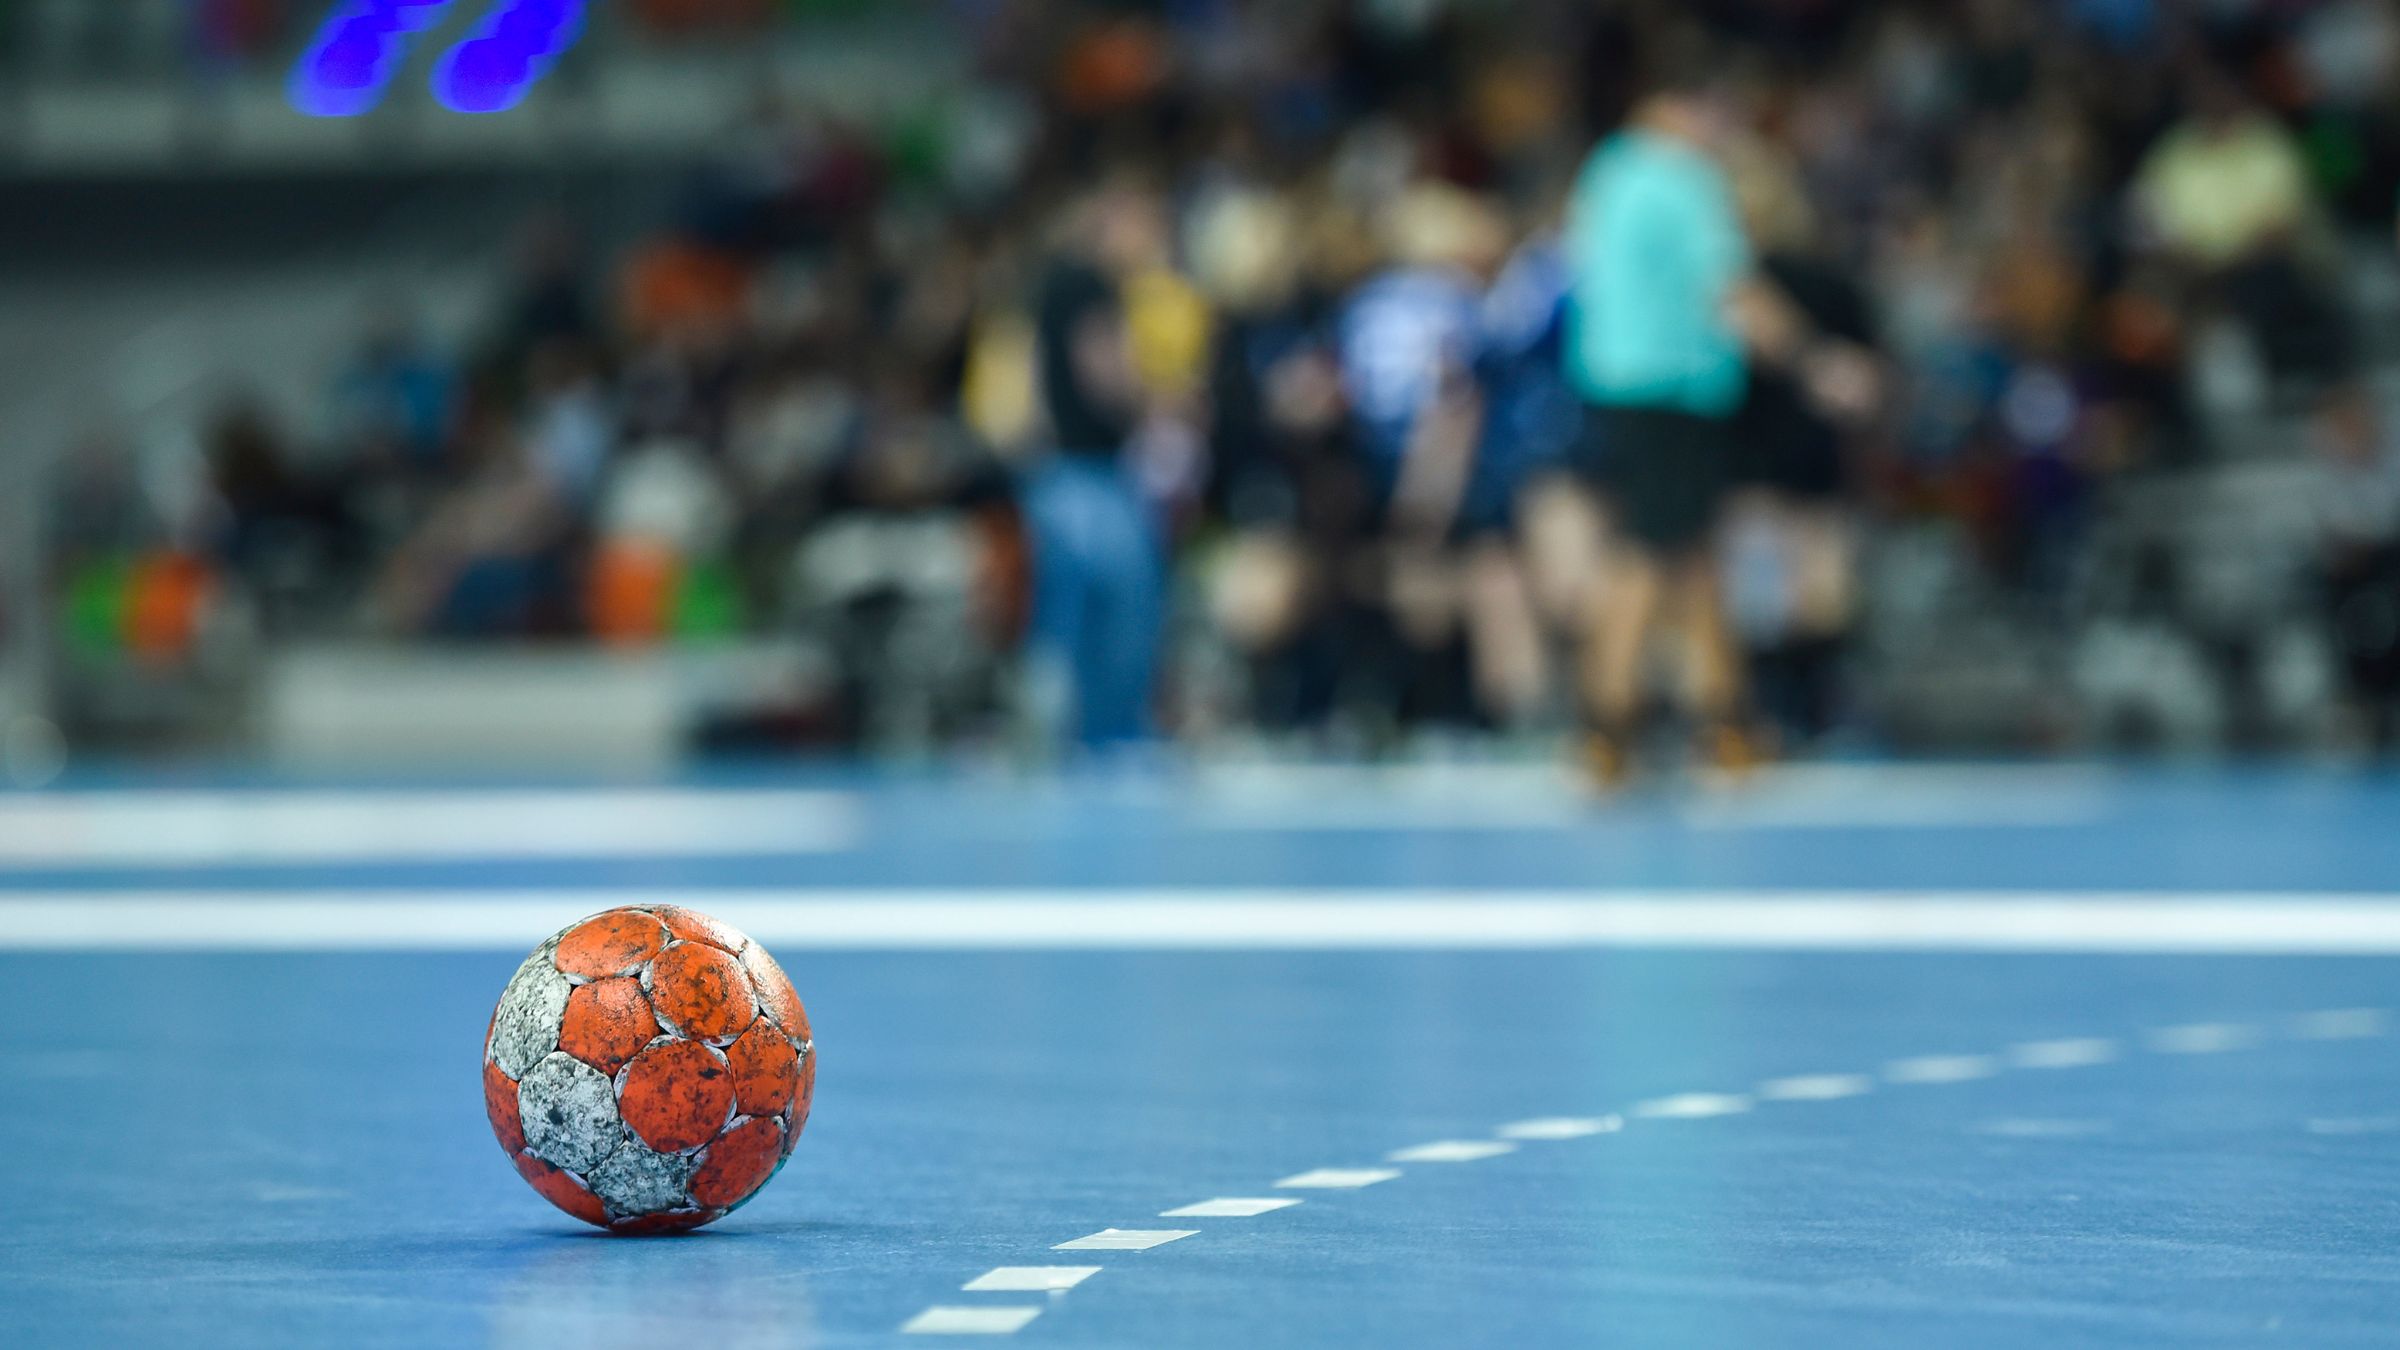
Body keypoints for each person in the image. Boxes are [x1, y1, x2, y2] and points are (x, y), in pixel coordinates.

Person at [1562, 54, 1764, 784]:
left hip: (1616, 382)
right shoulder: (1685, 179)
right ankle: (1605, 727)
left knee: (1685, 555)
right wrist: (1819, 360)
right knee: (1650, 556)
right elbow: (1729, 290)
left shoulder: (1607, 171)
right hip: (1673, 387)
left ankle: (1723, 720)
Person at [1019, 181, 1173, 753]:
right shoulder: (1092, 286)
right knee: (1129, 606)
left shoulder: (1048, 285)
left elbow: (1034, 374)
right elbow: (1101, 361)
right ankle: (1114, 733)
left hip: (1057, 471)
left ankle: (1057, 730)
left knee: (1066, 606)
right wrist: (1154, 408)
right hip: (1095, 472)